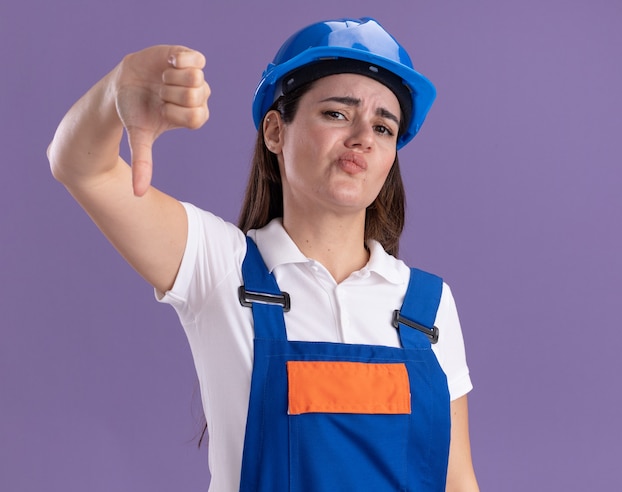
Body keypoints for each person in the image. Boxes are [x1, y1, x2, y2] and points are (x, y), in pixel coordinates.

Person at [48, 17, 479, 492]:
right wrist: (116, 89)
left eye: (384, 126)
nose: (363, 137)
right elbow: (78, 166)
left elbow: (457, 481)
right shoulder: (219, 266)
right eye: (337, 113)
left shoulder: (427, 305)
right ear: (275, 131)